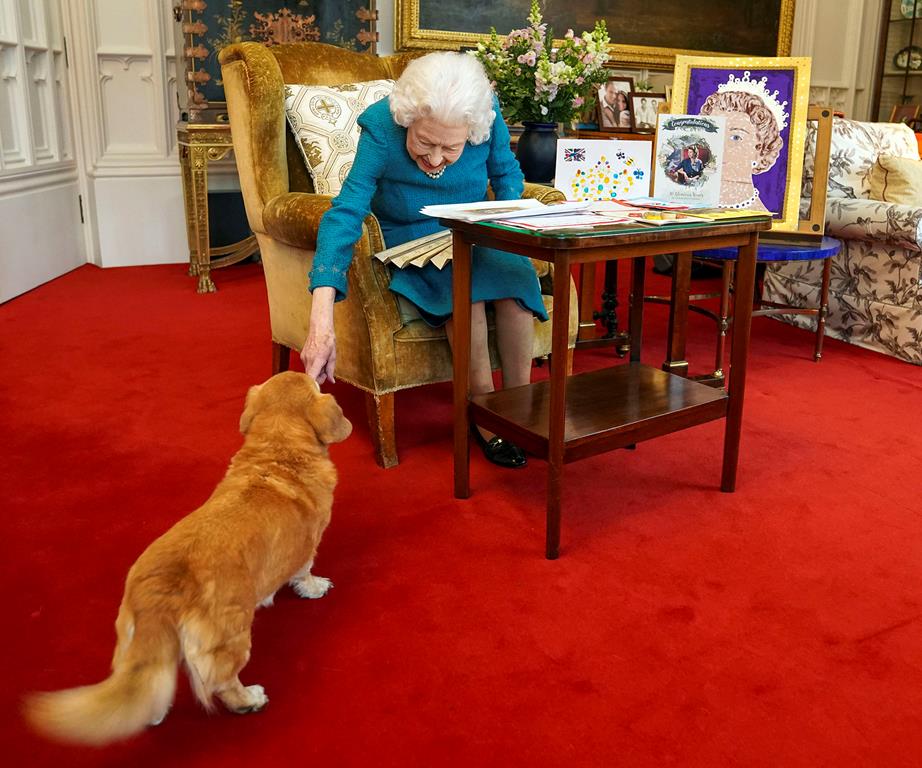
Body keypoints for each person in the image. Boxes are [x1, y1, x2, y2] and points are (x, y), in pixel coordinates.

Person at [301, 51, 547, 469]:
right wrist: (321, 310)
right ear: (407, 118)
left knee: (516, 288)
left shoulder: (485, 113)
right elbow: (346, 210)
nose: (435, 160)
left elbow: (506, 176)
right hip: (410, 235)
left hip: (474, 227)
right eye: (424, 142)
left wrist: (511, 231)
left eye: (450, 148)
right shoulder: (381, 125)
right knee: (463, 295)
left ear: (471, 129)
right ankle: (484, 414)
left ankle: (518, 410)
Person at [699, 75, 787, 212]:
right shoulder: (687, 204)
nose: (719, 147)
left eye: (735, 138)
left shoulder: (759, 216)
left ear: (760, 150)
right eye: (713, 134)